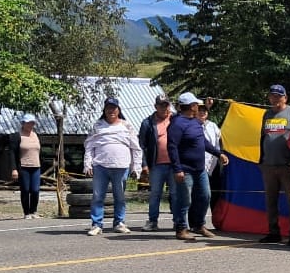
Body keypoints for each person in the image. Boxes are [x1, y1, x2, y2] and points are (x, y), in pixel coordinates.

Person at [168, 92, 228, 241]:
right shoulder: (177, 123)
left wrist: (218, 153)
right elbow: (172, 147)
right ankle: (181, 228)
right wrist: (177, 169)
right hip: (185, 169)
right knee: (185, 199)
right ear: (191, 106)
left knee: (205, 196)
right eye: (196, 104)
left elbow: (204, 143)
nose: (198, 107)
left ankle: (199, 225)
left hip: (200, 169)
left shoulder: (195, 122)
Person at [83, 97, 142, 236]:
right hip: (100, 166)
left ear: (118, 110)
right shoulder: (98, 126)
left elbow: (136, 148)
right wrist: (87, 164)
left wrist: (136, 168)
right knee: (98, 196)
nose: (111, 111)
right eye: (108, 108)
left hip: (121, 166)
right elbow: (89, 146)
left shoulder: (126, 126)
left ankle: (119, 222)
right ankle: (96, 224)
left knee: (119, 196)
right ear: (104, 110)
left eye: (114, 108)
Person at [258, 84, 290, 244]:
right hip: (268, 165)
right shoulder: (267, 114)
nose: (275, 98)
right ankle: (273, 232)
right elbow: (263, 137)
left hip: (288, 165)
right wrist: (261, 159)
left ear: (285, 98)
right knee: (270, 200)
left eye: (278, 96)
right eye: (272, 96)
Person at [137, 94, 176, 232]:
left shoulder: (176, 120)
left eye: (166, 105)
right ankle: (152, 221)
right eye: (161, 105)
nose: (164, 108)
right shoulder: (147, 122)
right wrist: (144, 164)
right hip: (156, 165)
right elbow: (141, 145)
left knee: (176, 194)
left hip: (174, 165)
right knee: (155, 194)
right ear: (155, 106)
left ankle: (178, 222)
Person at [9, 113, 43, 219]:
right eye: (28, 123)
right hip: (23, 166)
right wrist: (14, 169)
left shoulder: (36, 135)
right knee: (25, 190)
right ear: (23, 123)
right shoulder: (17, 136)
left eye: (32, 123)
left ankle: (34, 211)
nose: (30, 125)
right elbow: (12, 153)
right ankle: (27, 212)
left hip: (36, 166)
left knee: (35, 190)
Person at [198, 101, 222, 231]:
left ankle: (216, 220)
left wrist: (220, 156)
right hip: (198, 164)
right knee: (201, 195)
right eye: (200, 111)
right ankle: (197, 222)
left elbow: (218, 143)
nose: (202, 113)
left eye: (204, 111)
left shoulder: (213, 126)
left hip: (213, 164)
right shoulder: (192, 125)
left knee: (214, 194)